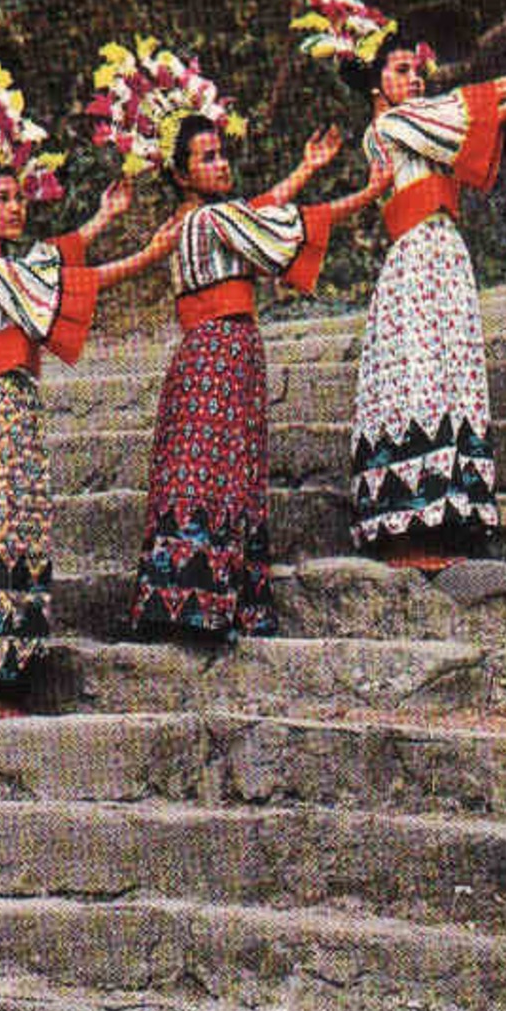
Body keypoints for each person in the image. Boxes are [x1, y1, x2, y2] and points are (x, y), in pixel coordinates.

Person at [84, 38, 390, 638]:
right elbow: (288, 226)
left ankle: (189, 594)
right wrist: (368, 193)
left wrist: (303, 170)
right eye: (206, 158)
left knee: (204, 466)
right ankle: (207, 601)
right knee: (217, 468)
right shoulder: (214, 219)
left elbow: (260, 210)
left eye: (221, 153)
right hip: (222, 350)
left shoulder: (189, 222)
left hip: (209, 352)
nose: (221, 164)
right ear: (179, 173)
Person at [293, 0, 506, 568]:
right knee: (418, 379)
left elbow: (490, 113)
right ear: (375, 84)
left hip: (443, 256)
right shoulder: (392, 125)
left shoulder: (422, 121)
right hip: (416, 262)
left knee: (449, 375)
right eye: (400, 70)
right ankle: (408, 526)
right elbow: (475, 104)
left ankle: (445, 514)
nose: (414, 78)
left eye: (415, 69)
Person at [0, 50, 177, 718]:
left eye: (16, 195)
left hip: (11, 407)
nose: (15, 206)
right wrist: (145, 255)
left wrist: (103, 220)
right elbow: (63, 281)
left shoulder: (7, 268)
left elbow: (49, 260)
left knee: (10, 530)